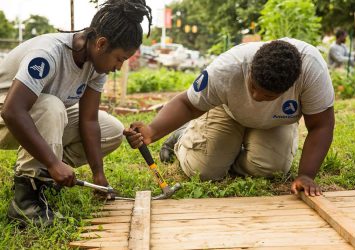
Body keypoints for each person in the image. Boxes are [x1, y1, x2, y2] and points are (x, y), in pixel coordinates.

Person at [0, 0, 152, 226]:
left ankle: (46, 178)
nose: (118, 67)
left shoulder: (96, 64)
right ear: (101, 43)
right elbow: (12, 111)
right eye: (119, 58)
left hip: (40, 118)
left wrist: (98, 175)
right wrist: (53, 162)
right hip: (7, 119)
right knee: (52, 106)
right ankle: (25, 201)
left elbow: (89, 120)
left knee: (112, 129)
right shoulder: (48, 53)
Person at [124, 38, 335, 197]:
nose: (256, 97)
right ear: (250, 68)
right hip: (227, 111)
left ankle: (228, 151)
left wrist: (306, 175)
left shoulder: (312, 72)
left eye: (268, 96)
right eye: (253, 87)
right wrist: (152, 130)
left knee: (270, 168)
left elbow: (321, 126)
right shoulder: (227, 68)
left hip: (274, 121)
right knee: (205, 171)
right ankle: (182, 139)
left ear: (291, 86)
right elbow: (187, 104)